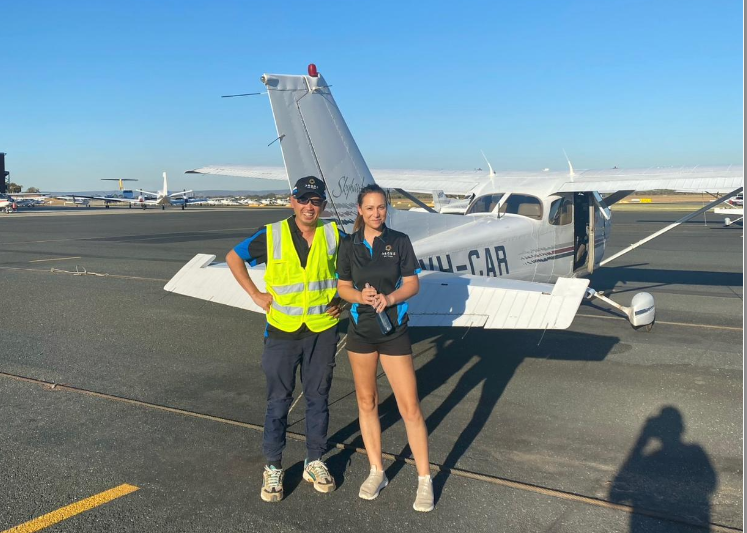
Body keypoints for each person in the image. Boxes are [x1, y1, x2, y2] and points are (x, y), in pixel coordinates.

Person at [226, 176, 342, 503]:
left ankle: (314, 460)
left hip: (321, 328)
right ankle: (274, 465)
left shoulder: (333, 234)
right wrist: (254, 294)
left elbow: (353, 269)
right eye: (304, 200)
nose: (309, 206)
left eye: (316, 201)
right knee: (279, 399)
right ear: (293, 201)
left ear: (322, 204)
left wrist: (345, 301)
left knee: (318, 396)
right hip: (281, 331)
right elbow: (234, 257)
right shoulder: (273, 233)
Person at [336, 184, 434, 512]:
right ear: (360, 211)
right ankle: (377, 470)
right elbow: (343, 288)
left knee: (409, 407)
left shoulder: (400, 241)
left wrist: (390, 298)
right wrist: (360, 297)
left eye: (381, 208)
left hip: (394, 332)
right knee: (367, 402)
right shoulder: (348, 245)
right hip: (361, 332)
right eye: (370, 208)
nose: (377, 213)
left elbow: (413, 283)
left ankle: (423, 479)